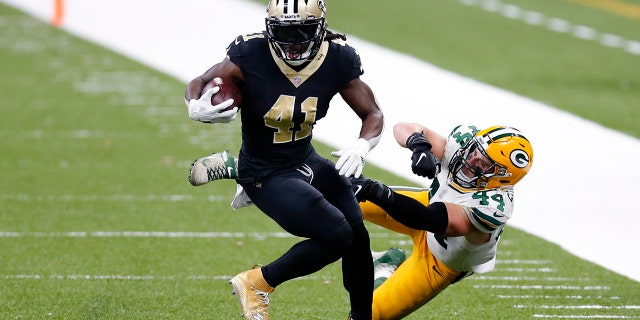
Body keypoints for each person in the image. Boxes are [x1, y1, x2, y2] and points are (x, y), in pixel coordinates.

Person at [183, 0, 384, 319]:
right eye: (284, 32)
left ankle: (362, 317)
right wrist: (194, 103)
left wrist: (362, 145)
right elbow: (201, 80)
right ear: (269, 30)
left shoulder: (338, 58)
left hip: (305, 158)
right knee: (337, 235)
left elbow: (372, 113)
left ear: (321, 28)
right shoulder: (249, 53)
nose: (293, 42)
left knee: (357, 235)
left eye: (302, 31)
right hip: (265, 171)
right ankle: (257, 282)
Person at [350, 122, 534, 320]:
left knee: (367, 315)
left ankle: (385, 271)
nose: (472, 160)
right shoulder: (463, 144)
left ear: (501, 178)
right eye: (475, 151)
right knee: (343, 200)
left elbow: (429, 219)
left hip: (439, 260)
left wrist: (378, 192)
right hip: (426, 206)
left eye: (484, 164)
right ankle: (385, 268)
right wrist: (418, 144)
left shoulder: (492, 206)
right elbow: (403, 127)